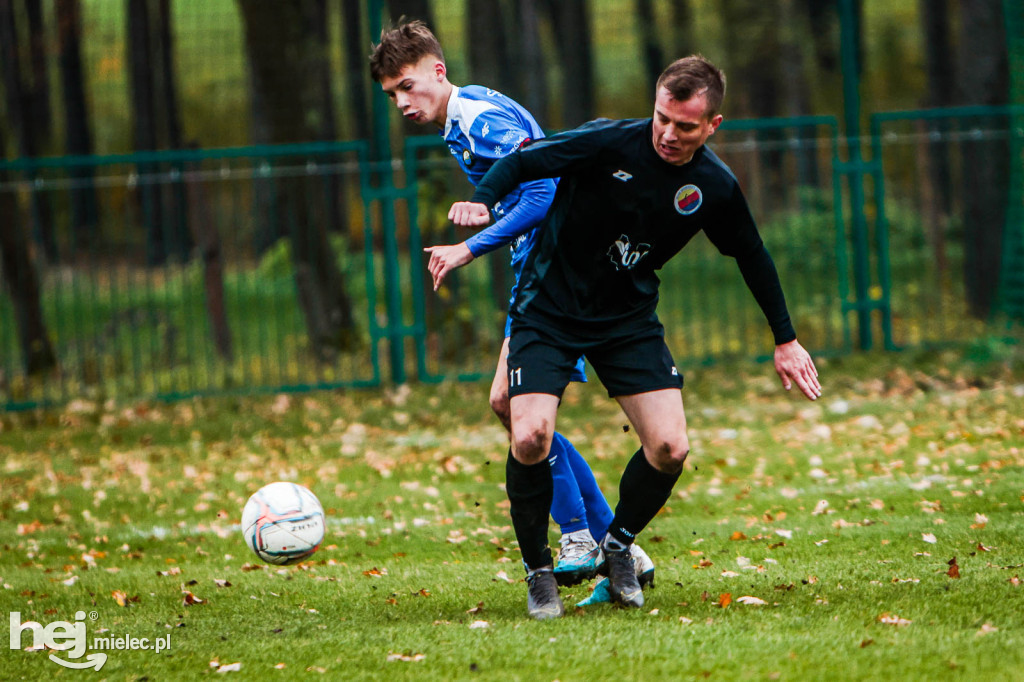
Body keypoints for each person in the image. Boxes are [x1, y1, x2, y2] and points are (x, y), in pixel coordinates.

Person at [449, 55, 822, 619]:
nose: (669, 135)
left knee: (671, 448)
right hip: (548, 308)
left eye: (686, 126)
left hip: (625, 319)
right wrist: (482, 197)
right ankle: (539, 573)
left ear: (713, 126)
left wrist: (785, 339)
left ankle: (617, 546)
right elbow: (526, 160)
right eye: (662, 118)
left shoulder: (713, 187)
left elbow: (751, 253)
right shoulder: (610, 142)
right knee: (528, 436)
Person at [368, 21, 654, 605]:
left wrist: (468, 247)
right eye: (392, 94)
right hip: (549, 265)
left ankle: (579, 536)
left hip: (557, 274)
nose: (401, 102)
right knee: (510, 406)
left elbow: (543, 192)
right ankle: (617, 545)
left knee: (515, 408)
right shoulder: (464, 114)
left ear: (437, 72)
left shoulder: (477, 120)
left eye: (407, 85)